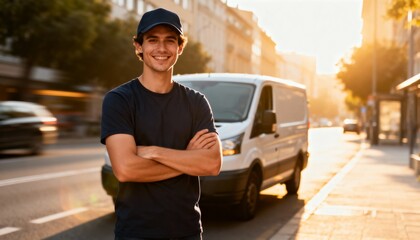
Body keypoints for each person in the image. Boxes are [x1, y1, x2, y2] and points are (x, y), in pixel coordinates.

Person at [100, 8, 222, 240]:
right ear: (139, 46)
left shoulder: (196, 102)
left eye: (170, 40)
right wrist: (187, 160)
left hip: (187, 231)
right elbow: (126, 170)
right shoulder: (119, 100)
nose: (162, 48)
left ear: (180, 47)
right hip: (136, 232)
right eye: (152, 40)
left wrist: (153, 152)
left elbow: (212, 164)